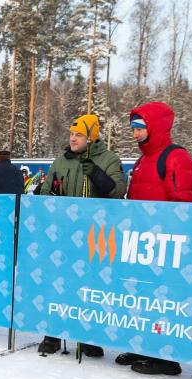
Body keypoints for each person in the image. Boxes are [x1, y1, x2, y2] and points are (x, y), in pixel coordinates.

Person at [116, 102, 192, 376]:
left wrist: (169, 237)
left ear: (156, 127)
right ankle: (144, 346)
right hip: (142, 243)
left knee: (164, 300)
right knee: (142, 297)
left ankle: (166, 356)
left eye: (140, 128)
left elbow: (183, 203)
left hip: (165, 243)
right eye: (133, 128)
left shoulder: (175, 157)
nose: (135, 134)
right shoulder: (142, 159)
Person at [36, 114, 126, 357]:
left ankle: (86, 336)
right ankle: (52, 334)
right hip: (63, 234)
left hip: (94, 237)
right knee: (58, 283)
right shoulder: (62, 160)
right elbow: (45, 192)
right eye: (71, 134)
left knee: (88, 287)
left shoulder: (108, 159)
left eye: (79, 135)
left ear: (91, 137)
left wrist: (97, 174)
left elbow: (119, 192)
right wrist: (47, 195)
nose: (73, 138)